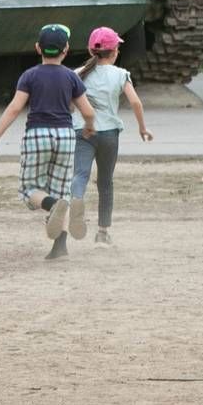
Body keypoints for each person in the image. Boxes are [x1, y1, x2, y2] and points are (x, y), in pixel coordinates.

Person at [0, 23, 98, 261]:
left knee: (29, 191)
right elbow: (88, 112)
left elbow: (15, 108)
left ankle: (51, 205)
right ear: (66, 50)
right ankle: (60, 247)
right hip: (66, 137)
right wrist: (89, 128)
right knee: (61, 191)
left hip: (37, 135)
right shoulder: (71, 77)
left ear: (38, 48)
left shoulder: (30, 75)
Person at [70, 26, 153, 247]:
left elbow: (69, 104)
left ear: (91, 50)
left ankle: (76, 200)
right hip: (109, 135)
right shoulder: (120, 74)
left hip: (82, 131)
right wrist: (142, 128)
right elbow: (135, 102)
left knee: (80, 174)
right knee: (105, 182)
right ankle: (102, 234)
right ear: (115, 51)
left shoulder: (77, 74)